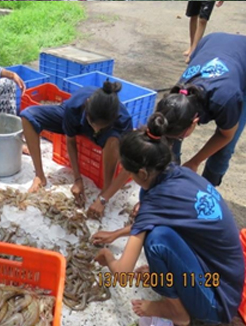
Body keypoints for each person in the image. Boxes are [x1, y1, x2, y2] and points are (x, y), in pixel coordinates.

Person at [92, 113, 244, 325]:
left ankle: (176, 311)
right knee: (157, 233)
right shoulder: (180, 174)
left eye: (129, 171)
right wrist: (116, 234)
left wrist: (108, 257)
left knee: (156, 240)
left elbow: (123, 272)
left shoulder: (154, 203)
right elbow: (162, 220)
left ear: (143, 174)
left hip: (217, 301)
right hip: (228, 279)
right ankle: (172, 284)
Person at [20, 81, 132, 218]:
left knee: (114, 141)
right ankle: (39, 176)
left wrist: (104, 198)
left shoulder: (123, 120)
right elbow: (70, 140)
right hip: (79, 122)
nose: (96, 130)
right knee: (27, 116)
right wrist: (77, 179)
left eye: (101, 127)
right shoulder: (74, 107)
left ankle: (105, 190)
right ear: (87, 104)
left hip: (107, 136)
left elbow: (129, 167)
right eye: (94, 124)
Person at [156, 32, 246, 186]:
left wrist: (194, 162)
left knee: (223, 149)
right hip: (212, 42)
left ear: (194, 122)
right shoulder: (178, 94)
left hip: (238, 64)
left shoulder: (227, 99)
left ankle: (208, 189)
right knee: (171, 137)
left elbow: (225, 136)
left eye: (180, 136)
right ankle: (172, 179)